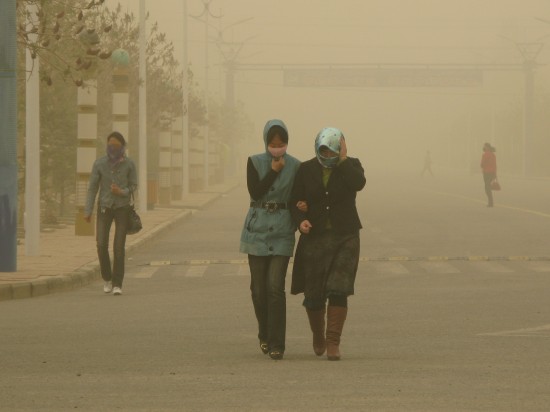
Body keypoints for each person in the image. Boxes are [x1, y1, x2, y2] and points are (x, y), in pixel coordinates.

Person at [290, 127, 366, 361]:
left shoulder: (351, 165)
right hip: (315, 237)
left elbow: (358, 183)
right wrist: (301, 220)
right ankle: (318, 335)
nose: (329, 155)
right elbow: (295, 200)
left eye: (334, 151)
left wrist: (343, 160)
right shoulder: (305, 169)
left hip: (346, 236)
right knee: (314, 293)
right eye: (325, 151)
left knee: (338, 287)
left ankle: (333, 342)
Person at [239, 119, 301, 360]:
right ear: (266, 142)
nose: (277, 148)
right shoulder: (254, 162)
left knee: (275, 287)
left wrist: (302, 212)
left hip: (282, 230)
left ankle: (277, 343)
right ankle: (264, 332)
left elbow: (298, 195)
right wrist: (274, 171)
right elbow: (255, 191)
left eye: (282, 143)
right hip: (257, 230)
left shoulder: (296, 166)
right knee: (258, 290)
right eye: (273, 144)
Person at [84, 131, 137, 296]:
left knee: (118, 247)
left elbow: (134, 186)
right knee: (101, 244)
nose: (112, 148)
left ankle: (117, 284)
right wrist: (88, 210)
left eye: (116, 145)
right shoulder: (99, 164)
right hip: (104, 208)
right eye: (110, 145)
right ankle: (107, 277)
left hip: (122, 208)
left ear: (122, 146)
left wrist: (122, 191)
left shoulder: (129, 164)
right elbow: (92, 188)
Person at [480, 142, 497, 207]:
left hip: (486, 173)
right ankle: (490, 202)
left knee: (487, 188)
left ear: (487, 147)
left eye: (484, 146)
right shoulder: (493, 155)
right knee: (488, 187)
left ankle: (490, 202)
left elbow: (482, 164)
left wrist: (483, 165)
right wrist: (495, 174)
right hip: (492, 173)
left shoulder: (485, 155)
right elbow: (495, 165)